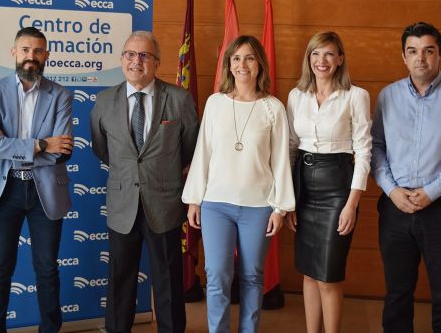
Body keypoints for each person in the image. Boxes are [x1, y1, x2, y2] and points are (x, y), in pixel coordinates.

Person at [371, 22, 441, 333]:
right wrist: (392, 191)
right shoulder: (387, 97)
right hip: (395, 208)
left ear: (440, 55)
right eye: (413, 51)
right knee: (397, 295)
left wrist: (431, 192)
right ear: (404, 57)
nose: (421, 58)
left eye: (428, 51)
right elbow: (376, 147)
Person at [182, 35, 295, 333]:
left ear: (259, 64)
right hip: (216, 205)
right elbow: (203, 152)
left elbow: (281, 161)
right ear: (228, 65)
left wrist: (280, 208)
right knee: (217, 274)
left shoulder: (273, 107)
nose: (242, 64)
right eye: (236, 59)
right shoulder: (215, 103)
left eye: (249, 58)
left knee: (251, 276)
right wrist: (195, 199)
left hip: (258, 207)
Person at [90, 31, 198, 333]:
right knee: (120, 279)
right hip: (122, 203)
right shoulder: (104, 100)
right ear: (122, 59)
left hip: (163, 204)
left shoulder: (178, 99)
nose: (136, 61)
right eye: (130, 54)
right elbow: (101, 146)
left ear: (157, 63)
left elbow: (189, 147)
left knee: (168, 279)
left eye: (144, 55)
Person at [0, 26, 74, 333]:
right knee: (0, 269)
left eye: (38, 51)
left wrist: (11, 146)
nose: (31, 57)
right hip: (3, 191)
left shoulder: (61, 95)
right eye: (26, 50)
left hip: (44, 191)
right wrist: (41, 144)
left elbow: (63, 152)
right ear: (14, 53)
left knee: (47, 269)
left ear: (46, 55)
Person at [285, 31, 372, 333]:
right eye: (315, 54)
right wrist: (290, 199)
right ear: (308, 59)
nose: (322, 61)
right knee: (309, 272)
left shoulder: (355, 96)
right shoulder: (296, 96)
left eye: (329, 54)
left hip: (338, 188)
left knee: (328, 275)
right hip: (303, 185)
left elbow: (363, 151)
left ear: (340, 59)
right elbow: (292, 148)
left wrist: (351, 204)